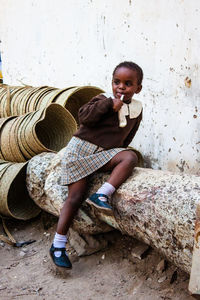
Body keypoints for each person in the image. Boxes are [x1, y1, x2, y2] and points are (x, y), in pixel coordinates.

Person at [49, 61, 143, 269]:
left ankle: (102, 194)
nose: (121, 87)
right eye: (117, 82)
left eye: (128, 84)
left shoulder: (137, 110)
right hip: (80, 152)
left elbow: (128, 136)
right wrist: (109, 106)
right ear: (111, 84)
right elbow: (84, 118)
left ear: (138, 88)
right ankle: (58, 245)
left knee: (129, 157)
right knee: (74, 198)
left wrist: (116, 153)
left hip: (102, 155)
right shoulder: (102, 100)